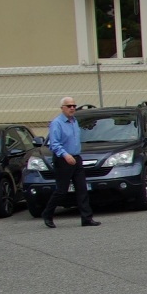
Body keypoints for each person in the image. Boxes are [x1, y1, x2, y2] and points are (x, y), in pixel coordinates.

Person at [40, 97, 99, 228]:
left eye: (74, 105)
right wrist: (65, 155)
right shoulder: (57, 123)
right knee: (61, 190)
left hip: (76, 158)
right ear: (62, 108)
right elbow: (54, 144)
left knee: (82, 189)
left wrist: (75, 155)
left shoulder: (74, 121)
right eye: (69, 106)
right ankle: (47, 214)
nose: (72, 108)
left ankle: (86, 218)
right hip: (63, 160)